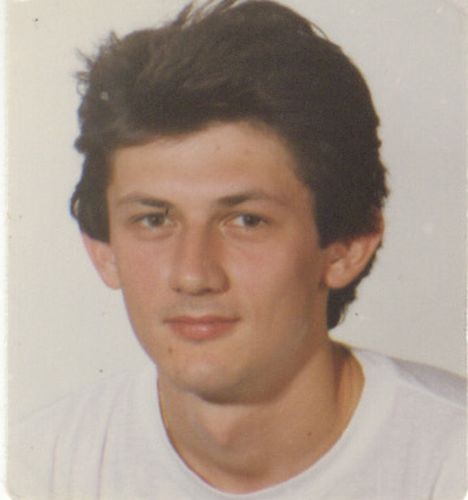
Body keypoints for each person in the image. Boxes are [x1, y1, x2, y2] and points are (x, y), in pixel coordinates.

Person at [9, 0, 465, 498]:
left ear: (346, 248)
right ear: (103, 250)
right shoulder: (39, 470)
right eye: (154, 220)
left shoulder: (449, 460)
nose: (193, 274)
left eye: (247, 221)